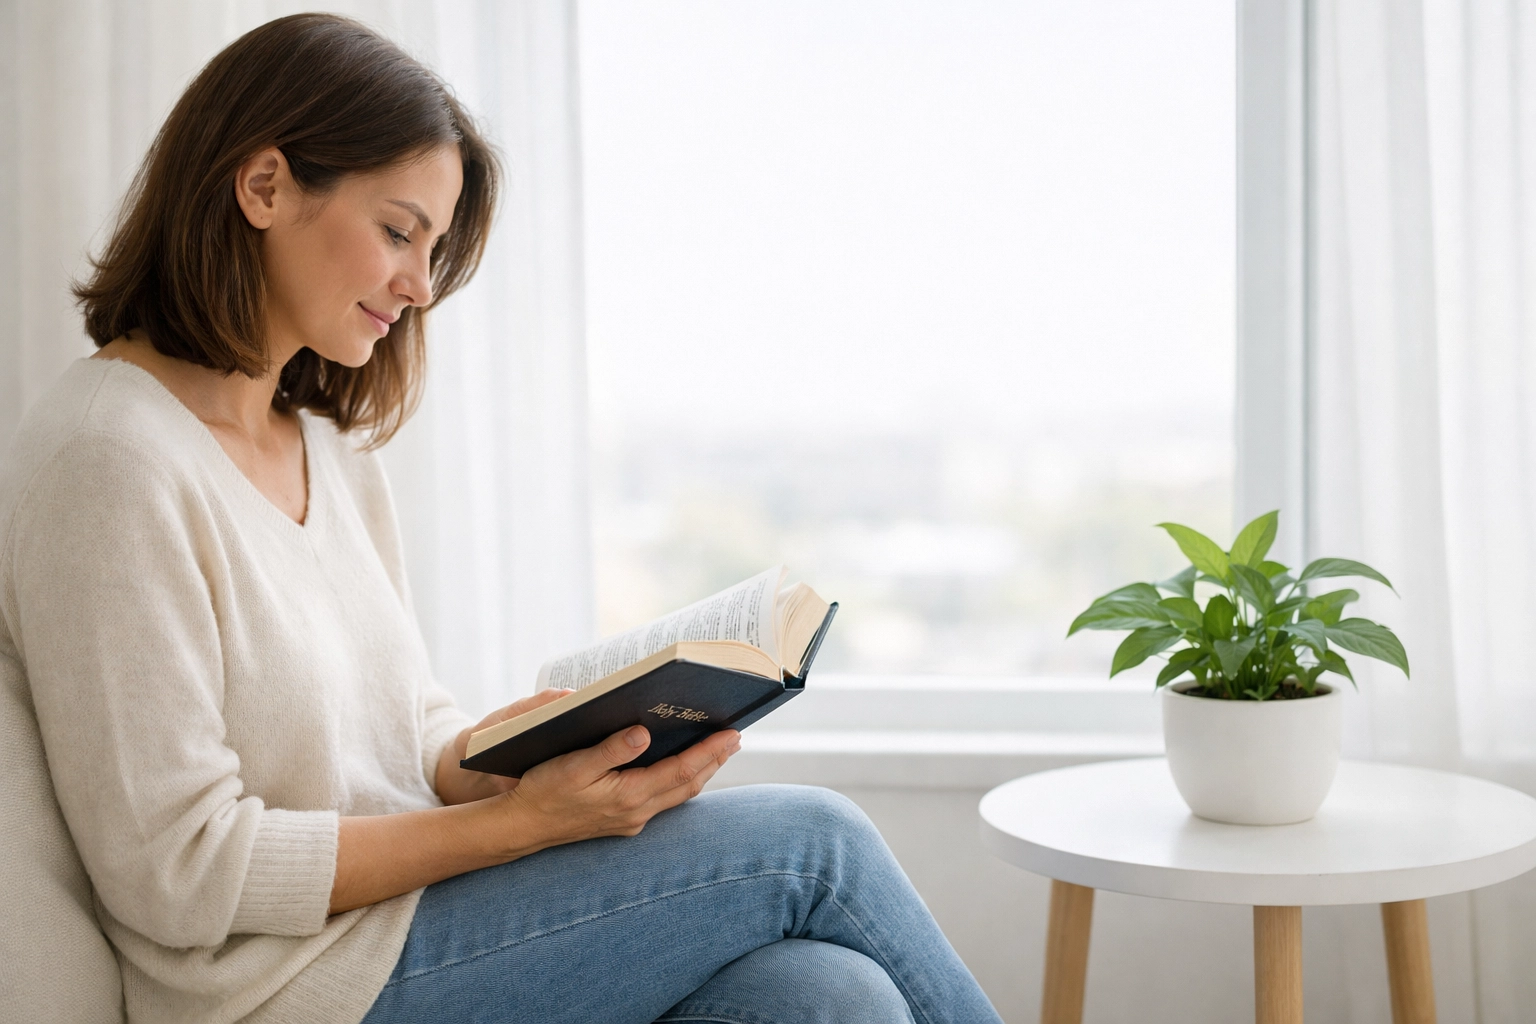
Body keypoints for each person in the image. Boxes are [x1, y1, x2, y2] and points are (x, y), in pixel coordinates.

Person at [0, 13, 1004, 1024]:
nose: (421, 285)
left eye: (433, 248)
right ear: (263, 187)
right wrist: (524, 826)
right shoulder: (109, 457)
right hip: (288, 991)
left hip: (409, 923)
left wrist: (514, 755)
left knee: (829, 994)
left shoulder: (328, 452)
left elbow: (403, 727)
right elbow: (178, 869)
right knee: (815, 845)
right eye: (399, 231)